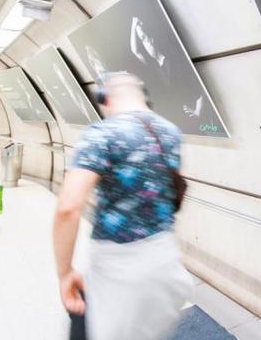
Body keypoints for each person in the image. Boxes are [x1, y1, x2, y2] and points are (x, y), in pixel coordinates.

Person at [53, 72, 192, 340]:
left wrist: (65, 273)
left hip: (118, 266)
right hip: (165, 259)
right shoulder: (171, 132)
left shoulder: (103, 133)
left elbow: (68, 208)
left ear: (104, 98)